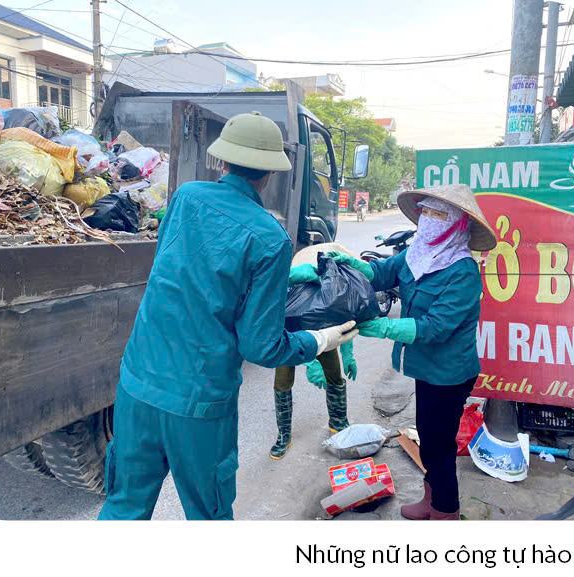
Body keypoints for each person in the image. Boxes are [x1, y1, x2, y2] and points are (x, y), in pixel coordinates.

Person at [98, 112, 358, 520]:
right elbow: (261, 344)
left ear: (222, 162)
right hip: (199, 405)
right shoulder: (271, 239)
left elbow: (172, 269)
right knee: (209, 518)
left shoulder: (185, 197)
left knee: (123, 507)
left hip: (138, 386)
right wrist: (321, 340)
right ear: (270, 174)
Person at [309, 183, 495, 521]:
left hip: (450, 372)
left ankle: (445, 511)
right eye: (425, 211)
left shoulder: (463, 271)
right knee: (428, 434)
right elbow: (381, 273)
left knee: (439, 445)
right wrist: (352, 264)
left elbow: (435, 327)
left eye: (438, 214)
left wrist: (382, 328)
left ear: (456, 224)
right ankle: (431, 497)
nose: (428, 219)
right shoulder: (417, 253)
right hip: (426, 368)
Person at [268, 243, 365, 460]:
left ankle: (338, 422)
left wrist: (348, 354)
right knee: (282, 381)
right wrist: (310, 362)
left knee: (335, 376)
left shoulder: (337, 286)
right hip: (288, 336)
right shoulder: (292, 281)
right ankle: (284, 435)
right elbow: (279, 318)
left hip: (324, 334)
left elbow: (345, 321)